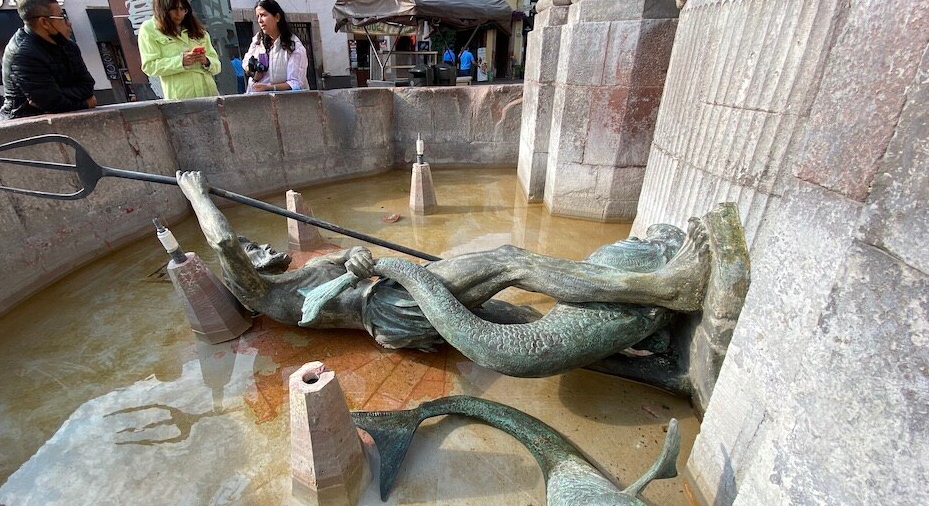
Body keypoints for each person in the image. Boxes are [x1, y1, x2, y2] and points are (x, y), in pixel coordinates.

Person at [176, 170, 711, 358]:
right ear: (245, 277)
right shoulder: (268, 296)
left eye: (258, 243)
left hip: (397, 292)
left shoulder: (300, 271)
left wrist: (356, 256)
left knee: (520, 317)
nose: (259, 247)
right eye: (252, 253)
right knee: (509, 262)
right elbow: (223, 245)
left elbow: (353, 262)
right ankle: (665, 288)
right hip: (392, 310)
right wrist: (197, 195)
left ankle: (645, 348)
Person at [0, 0, 96, 120]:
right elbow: (52, 103)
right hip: (26, 125)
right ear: (44, 22)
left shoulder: (68, 46)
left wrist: (57, 93)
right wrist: (86, 103)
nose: (69, 23)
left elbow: (88, 85)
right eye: (62, 16)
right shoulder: (23, 53)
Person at [138, 0, 221, 101]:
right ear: (162, 8)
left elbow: (217, 65)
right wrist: (180, 61)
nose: (179, 14)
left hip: (209, 94)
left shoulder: (196, 29)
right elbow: (149, 66)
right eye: (174, 9)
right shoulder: (149, 29)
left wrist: (206, 61)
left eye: (183, 9)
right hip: (181, 100)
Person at [244, 0, 309, 93]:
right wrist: (252, 70)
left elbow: (296, 83)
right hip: (257, 100)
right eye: (258, 16)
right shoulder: (257, 40)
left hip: (284, 103)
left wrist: (269, 88)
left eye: (264, 15)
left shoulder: (293, 46)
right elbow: (245, 62)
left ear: (277, 17)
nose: (260, 21)